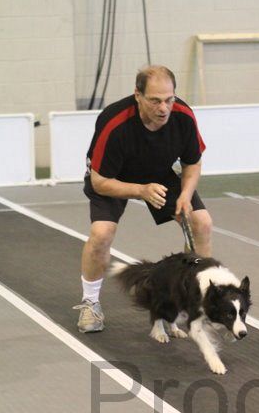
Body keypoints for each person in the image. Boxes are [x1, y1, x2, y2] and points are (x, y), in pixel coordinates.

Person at [74, 65, 212, 333]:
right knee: (101, 233)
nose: (164, 108)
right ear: (137, 95)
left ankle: (190, 301)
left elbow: (192, 164)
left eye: (169, 99)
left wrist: (184, 195)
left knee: (202, 222)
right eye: (155, 100)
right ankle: (90, 304)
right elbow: (98, 181)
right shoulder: (114, 123)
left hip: (158, 173)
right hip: (114, 178)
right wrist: (140, 190)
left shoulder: (182, 116)